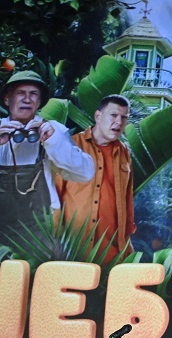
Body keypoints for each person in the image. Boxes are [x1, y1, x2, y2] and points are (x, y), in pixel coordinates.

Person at [0, 70, 94, 251]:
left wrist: (53, 141)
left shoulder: (53, 130)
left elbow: (85, 173)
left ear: (39, 102)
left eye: (33, 94)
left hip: (34, 231)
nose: (27, 99)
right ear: (7, 99)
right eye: (20, 93)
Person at [55, 94, 135, 261]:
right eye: (113, 115)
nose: (119, 122)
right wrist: (55, 243)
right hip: (74, 250)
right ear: (98, 116)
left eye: (124, 117)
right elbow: (52, 196)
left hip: (113, 252)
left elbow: (127, 198)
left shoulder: (124, 152)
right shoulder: (70, 146)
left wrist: (126, 242)